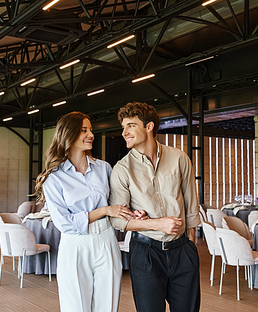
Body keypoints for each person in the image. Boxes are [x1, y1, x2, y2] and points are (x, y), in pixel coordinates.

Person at [34, 111, 136, 312]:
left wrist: (132, 212)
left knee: (108, 306)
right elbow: (64, 223)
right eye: (83, 130)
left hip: (106, 239)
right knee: (76, 307)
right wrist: (104, 210)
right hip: (75, 245)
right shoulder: (53, 178)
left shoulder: (104, 168)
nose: (91, 134)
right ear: (68, 134)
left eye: (90, 130)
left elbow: (118, 203)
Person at [109, 102, 201, 312]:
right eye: (123, 127)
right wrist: (157, 224)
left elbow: (191, 207)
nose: (125, 132)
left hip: (182, 251)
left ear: (149, 127)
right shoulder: (122, 169)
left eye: (130, 126)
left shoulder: (179, 158)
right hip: (145, 253)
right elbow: (117, 221)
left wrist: (190, 246)